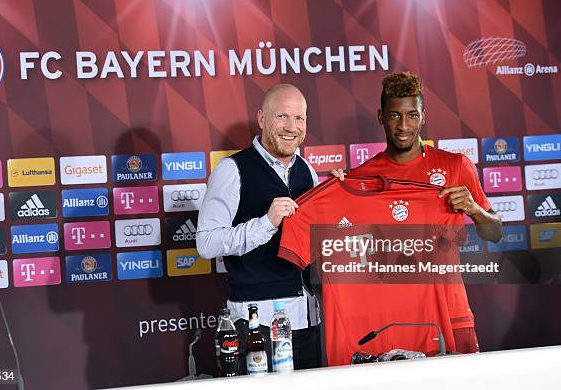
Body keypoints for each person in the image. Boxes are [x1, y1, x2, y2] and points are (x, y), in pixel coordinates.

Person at [332, 71, 503, 353]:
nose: (403, 125)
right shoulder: (361, 178)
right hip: (394, 320)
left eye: (412, 115)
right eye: (395, 115)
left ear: (423, 116)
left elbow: (495, 232)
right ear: (381, 116)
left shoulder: (456, 165)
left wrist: (475, 209)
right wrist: (339, 195)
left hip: (451, 311)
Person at [197, 83, 322, 372]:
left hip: (307, 318)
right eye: (282, 117)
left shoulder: (308, 170)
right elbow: (206, 243)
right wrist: (266, 224)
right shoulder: (232, 169)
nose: (291, 127)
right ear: (262, 119)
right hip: (258, 321)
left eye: (299, 118)